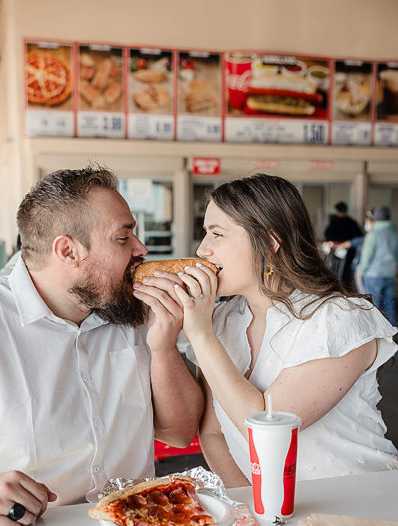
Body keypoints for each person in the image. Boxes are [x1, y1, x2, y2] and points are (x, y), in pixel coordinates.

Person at [0, 165, 203, 526]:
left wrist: (163, 348)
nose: (141, 249)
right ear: (68, 251)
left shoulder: (135, 311)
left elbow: (179, 434)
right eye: (123, 237)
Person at [139, 174, 398, 488]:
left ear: (270, 242)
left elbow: (264, 430)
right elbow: (213, 433)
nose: (202, 249)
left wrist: (200, 333)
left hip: (359, 504)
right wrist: (250, 506)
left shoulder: (339, 318)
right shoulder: (222, 319)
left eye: (217, 234)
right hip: (264, 513)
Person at [359, 205, 398, 325]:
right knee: (389, 304)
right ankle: (391, 330)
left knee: (374, 305)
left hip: (373, 274)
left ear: (375, 219)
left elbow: (367, 256)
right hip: (389, 273)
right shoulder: (394, 235)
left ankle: (375, 330)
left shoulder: (373, 235)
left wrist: (363, 271)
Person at [324, 201, 363, 289]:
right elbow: (359, 237)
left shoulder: (334, 223)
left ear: (337, 211)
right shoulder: (352, 223)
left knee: (335, 272)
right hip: (350, 253)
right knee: (346, 275)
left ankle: (336, 289)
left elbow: (327, 235)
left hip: (336, 253)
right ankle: (346, 290)